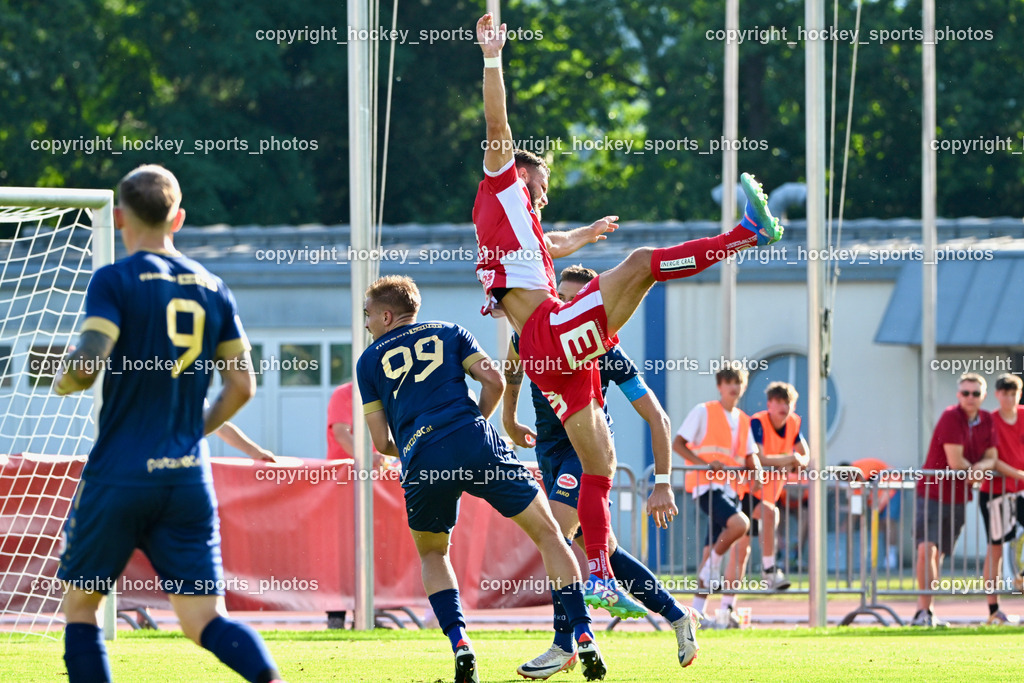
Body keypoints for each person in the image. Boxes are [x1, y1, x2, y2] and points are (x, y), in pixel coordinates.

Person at [473, 11, 784, 614]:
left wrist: (586, 235)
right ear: (519, 175)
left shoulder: (521, 231)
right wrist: (492, 57)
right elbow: (497, 122)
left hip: (545, 355)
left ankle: (598, 577)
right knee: (642, 263)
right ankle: (748, 233)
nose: (544, 193)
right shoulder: (502, 182)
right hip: (548, 333)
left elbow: (552, 244)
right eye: (541, 184)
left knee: (603, 461)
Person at [52, 165, 284, 683]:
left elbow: (87, 365)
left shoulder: (114, 279)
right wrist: (190, 432)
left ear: (119, 218)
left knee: (82, 607)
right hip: (186, 478)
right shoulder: (213, 286)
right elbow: (243, 386)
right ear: (178, 218)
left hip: (119, 473)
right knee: (204, 620)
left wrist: (65, 380)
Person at [356, 275, 606, 683]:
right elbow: (494, 380)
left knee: (433, 555)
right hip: (475, 439)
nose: (366, 323)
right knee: (550, 536)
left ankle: (460, 643)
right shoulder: (451, 331)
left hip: (422, 457)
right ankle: (583, 633)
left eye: (367, 315)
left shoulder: (367, 362)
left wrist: (420, 443)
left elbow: (382, 441)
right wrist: (474, 425)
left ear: (386, 316)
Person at [502, 265, 701, 677]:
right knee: (605, 550)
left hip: (586, 456)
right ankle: (678, 614)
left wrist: (663, 483)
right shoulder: (530, 331)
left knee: (554, 536)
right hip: (549, 454)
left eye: (575, 300)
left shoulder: (603, 351)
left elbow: (658, 418)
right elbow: (513, 369)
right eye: (560, 297)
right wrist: (508, 418)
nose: (564, 305)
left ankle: (567, 642)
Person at [672, 365, 764, 628]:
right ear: (719, 386)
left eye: (738, 382)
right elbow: (678, 443)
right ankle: (712, 567)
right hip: (706, 486)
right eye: (729, 382)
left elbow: (750, 454)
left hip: (731, 488)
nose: (734, 387)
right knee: (740, 525)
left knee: (708, 551)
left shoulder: (743, 420)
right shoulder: (703, 411)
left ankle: (696, 615)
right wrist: (703, 463)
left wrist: (757, 471)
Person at [912, 373, 997, 627]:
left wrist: (980, 467)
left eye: (975, 393)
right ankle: (921, 612)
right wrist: (977, 471)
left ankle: (929, 611)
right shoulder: (951, 416)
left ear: (983, 396)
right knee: (926, 549)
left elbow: (992, 456)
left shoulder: (987, 419)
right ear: (958, 395)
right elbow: (955, 461)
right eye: (965, 393)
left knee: (938, 555)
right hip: (932, 491)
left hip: (958, 496)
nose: (970, 398)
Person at [748, 381, 809, 590]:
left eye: (788, 402)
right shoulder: (758, 423)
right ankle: (769, 571)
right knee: (742, 544)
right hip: (748, 490)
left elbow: (805, 455)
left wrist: (797, 460)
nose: (784, 406)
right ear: (769, 404)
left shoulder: (793, 423)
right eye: (779, 401)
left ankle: (767, 574)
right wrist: (791, 458)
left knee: (747, 545)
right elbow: (760, 457)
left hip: (769, 492)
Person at [979, 373, 1024, 624]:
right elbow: (993, 459)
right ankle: (993, 609)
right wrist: (1019, 474)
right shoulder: (991, 421)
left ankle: (1021, 576)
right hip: (996, 492)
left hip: (1020, 491)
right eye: (1005, 393)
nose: (1009, 398)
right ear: (997, 395)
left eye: (1013, 393)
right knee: (995, 548)